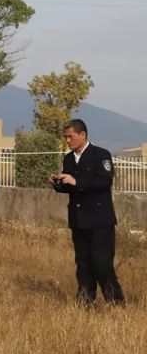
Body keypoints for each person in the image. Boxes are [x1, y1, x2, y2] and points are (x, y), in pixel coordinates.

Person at [50, 118, 125, 306]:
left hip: (99, 220)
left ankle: (115, 302)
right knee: (82, 263)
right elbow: (71, 188)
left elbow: (104, 182)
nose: (67, 140)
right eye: (65, 137)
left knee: (101, 262)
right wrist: (59, 184)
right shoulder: (68, 158)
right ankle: (85, 302)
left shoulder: (100, 155)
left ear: (82, 134)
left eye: (70, 136)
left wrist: (78, 182)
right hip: (78, 220)